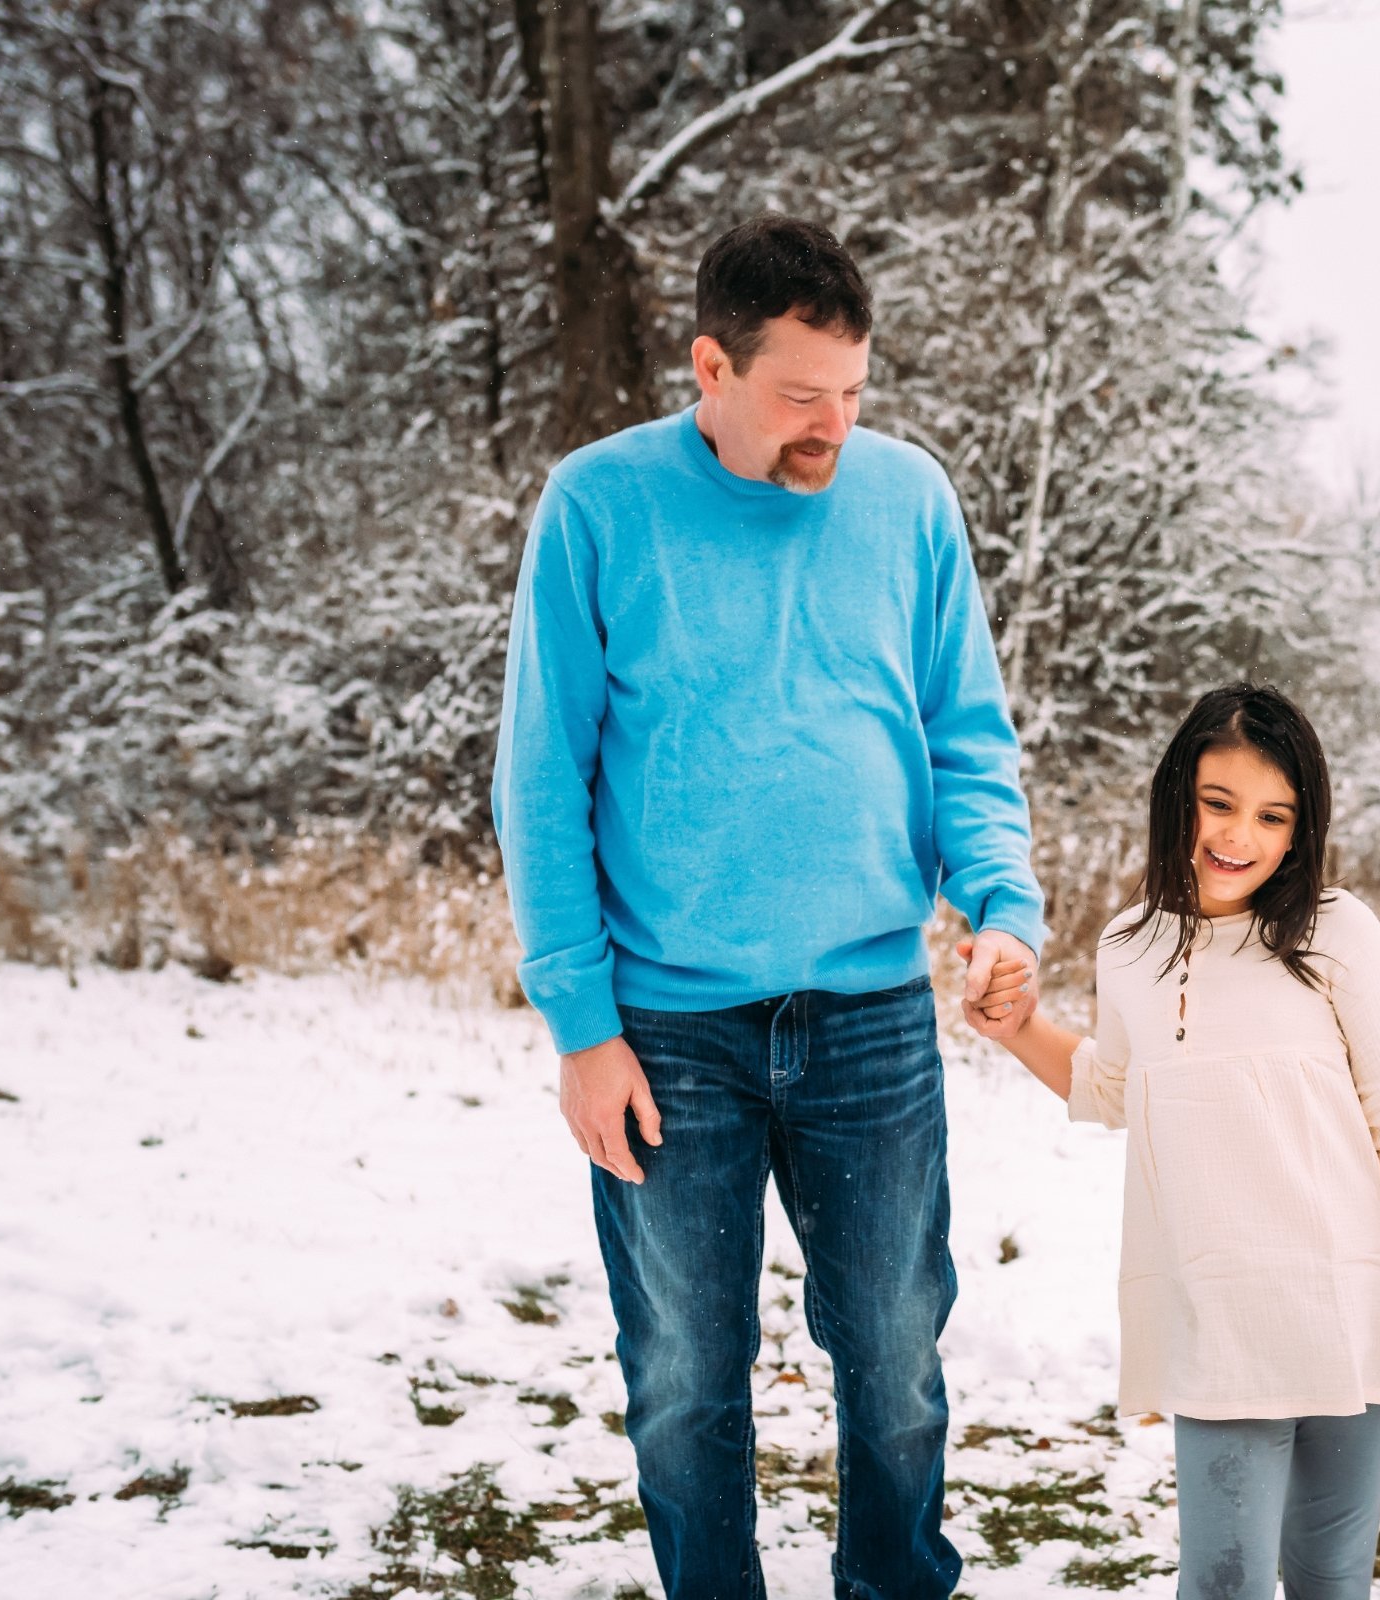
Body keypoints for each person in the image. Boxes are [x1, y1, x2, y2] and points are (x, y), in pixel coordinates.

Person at [492, 213, 1045, 1600]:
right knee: (684, 1376)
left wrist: (1001, 907)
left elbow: (966, 734)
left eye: (854, 394)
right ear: (709, 366)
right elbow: (543, 778)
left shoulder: (908, 500)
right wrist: (581, 1025)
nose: (834, 429)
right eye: (802, 399)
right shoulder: (599, 508)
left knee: (897, 1357)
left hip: (868, 1015)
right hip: (669, 1030)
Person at [980, 682, 1380, 1600]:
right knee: (1221, 1581)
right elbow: (1115, 1087)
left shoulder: (1335, 932)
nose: (1238, 836)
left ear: (1300, 831)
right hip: (1217, 1314)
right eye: (1217, 803)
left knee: (1328, 1572)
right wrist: (1018, 1026)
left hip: (1357, 1306)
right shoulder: (1128, 946)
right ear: (1176, 793)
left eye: (1272, 816)